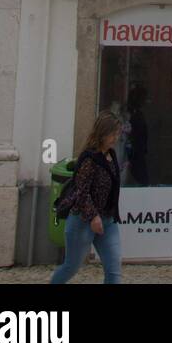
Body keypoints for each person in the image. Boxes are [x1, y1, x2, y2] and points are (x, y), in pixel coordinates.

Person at [50, 111, 123, 284]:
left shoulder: (111, 156)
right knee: (71, 267)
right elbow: (81, 191)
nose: (115, 137)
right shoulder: (89, 159)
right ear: (102, 133)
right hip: (82, 220)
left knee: (114, 270)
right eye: (112, 133)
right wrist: (93, 216)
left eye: (117, 133)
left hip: (107, 220)